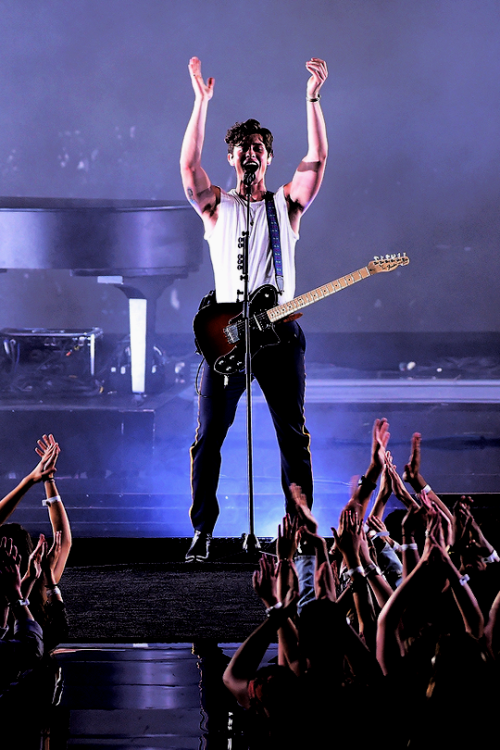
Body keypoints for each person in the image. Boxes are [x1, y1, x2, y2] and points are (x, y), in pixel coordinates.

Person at [180, 56, 328, 561]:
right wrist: (201, 103)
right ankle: (203, 530)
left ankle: (300, 528)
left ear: (267, 158)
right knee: (210, 436)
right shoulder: (217, 206)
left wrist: (313, 99)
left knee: (292, 432)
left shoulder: (284, 203)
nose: (250, 154)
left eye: (258, 148)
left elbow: (317, 160)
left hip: (279, 333)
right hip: (226, 331)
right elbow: (187, 167)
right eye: (242, 147)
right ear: (232, 158)